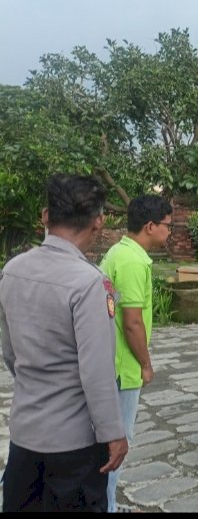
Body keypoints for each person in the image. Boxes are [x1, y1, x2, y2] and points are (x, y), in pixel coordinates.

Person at [0, 174, 128, 512]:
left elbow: (10, 353)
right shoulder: (89, 283)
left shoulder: (12, 270)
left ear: (45, 216)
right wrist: (114, 433)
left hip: (25, 434)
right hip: (74, 445)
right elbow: (97, 372)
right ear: (98, 222)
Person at [99, 194, 173, 513]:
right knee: (117, 445)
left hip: (110, 362)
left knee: (107, 445)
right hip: (122, 368)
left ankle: (107, 503)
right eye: (168, 226)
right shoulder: (131, 261)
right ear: (150, 225)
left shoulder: (121, 252)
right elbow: (131, 323)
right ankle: (107, 507)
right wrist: (146, 364)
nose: (170, 232)